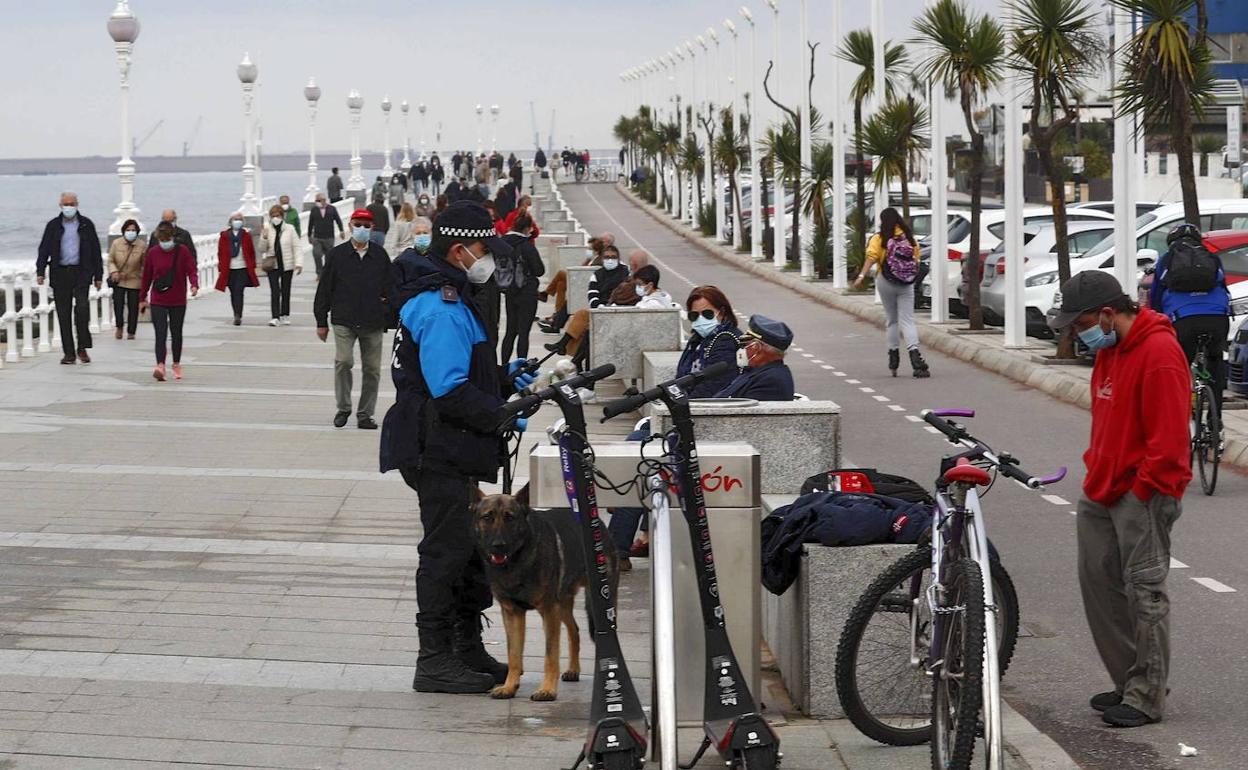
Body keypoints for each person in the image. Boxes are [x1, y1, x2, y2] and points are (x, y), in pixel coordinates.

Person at [379, 199, 534, 694]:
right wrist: (499, 412)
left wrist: (503, 380)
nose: (488, 254)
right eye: (484, 245)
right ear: (460, 247)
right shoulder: (442, 303)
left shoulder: (447, 293)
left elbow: (459, 373)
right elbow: (447, 387)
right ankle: (434, 660)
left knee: (470, 550)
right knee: (446, 551)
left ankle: (466, 647)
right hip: (437, 444)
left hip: (444, 441)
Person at [1047, 271, 1190, 729]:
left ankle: (1147, 695)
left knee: (1144, 591)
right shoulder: (1109, 350)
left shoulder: (1160, 353)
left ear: (1108, 313)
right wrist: (1097, 471)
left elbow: (1169, 442)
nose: (1076, 332)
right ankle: (1132, 678)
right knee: (1098, 583)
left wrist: (1144, 488)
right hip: (1102, 486)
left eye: (1080, 322)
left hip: (1142, 492)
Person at [314, 209, 393, 430]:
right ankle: (343, 407)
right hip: (343, 319)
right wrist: (321, 321)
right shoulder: (337, 255)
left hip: (372, 320)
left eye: (367, 226)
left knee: (372, 369)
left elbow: (391, 287)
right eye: (358, 224)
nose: (362, 229)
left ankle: (365, 413)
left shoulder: (380, 255)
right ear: (350, 225)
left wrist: (387, 312)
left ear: (372, 228)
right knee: (343, 361)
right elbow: (325, 289)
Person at [1148, 222, 1231, 410]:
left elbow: (1156, 297)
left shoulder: (1167, 260)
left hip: (1183, 320)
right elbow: (1223, 288)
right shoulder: (1212, 259)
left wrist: (1158, 319)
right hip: (1217, 318)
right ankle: (1215, 418)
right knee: (1215, 360)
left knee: (1179, 366)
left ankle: (1180, 412)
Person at [853, 207, 930, 378]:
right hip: (906, 283)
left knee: (892, 320)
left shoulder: (879, 238)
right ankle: (916, 358)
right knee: (908, 321)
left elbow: (872, 257)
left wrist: (861, 276)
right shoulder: (909, 238)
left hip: (885, 281)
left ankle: (893, 359)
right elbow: (916, 260)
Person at [36, 192, 102, 364]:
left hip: (81, 272)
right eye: (66, 204)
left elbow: (96, 250)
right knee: (63, 314)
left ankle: (82, 347)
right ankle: (69, 353)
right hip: (60, 273)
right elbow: (44, 249)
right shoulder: (53, 226)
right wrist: (40, 271)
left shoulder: (86, 224)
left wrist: (98, 275)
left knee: (82, 309)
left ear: (77, 204)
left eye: (72, 204)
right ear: (60, 205)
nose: (69, 207)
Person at [139, 221, 199, 381]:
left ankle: (176, 363)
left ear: (173, 237)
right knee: (160, 333)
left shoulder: (183, 251)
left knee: (176, 332)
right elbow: (147, 277)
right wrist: (142, 297)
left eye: (167, 239)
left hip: (178, 298)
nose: (164, 243)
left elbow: (191, 269)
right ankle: (160, 365)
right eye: (162, 240)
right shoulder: (153, 253)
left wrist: (194, 284)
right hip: (158, 298)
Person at [715, 315, 796, 400]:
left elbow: (749, 412)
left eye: (745, 344)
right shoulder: (755, 371)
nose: (743, 349)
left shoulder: (770, 381)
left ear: (756, 348)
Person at [499, 213, 546, 360]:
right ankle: (521, 366)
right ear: (526, 228)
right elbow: (539, 270)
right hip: (527, 291)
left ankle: (504, 365)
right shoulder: (527, 246)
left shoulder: (503, 242)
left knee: (510, 331)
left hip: (509, 291)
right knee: (523, 332)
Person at [259, 203, 304, 326]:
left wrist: (299, 263)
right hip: (272, 264)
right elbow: (261, 249)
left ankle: (285, 314)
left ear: (282, 216)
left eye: (277, 215)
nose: (275, 218)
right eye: (273, 215)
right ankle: (275, 316)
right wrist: (264, 237)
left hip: (287, 264)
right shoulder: (267, 228)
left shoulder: (290, 229)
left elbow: (297, 247)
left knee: (285, 290)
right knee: (274, 290)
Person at [214, 211, 259, 326]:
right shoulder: (224, 236)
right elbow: (220, 253)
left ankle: (238, 315)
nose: (237, 221)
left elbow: (251, 252)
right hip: (229, 269)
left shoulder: (246, 235)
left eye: (239, 219)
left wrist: (253, 266)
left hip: (242, 268)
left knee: (239, 291)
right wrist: (221, 267)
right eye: (235, 219)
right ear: (230, 221)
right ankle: (235, 312)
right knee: (233, 292)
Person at [106, 219, 145, 340]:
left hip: (135, 279)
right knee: (118, 304)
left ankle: (131, 331)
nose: (131, 232)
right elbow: (111, 259)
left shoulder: (142, 245)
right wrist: (114, 271)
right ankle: (119, 327)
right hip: (119, 279)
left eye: (133, 230)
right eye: (128, 230)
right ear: (123, 231)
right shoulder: (116, 243)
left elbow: (145, 264)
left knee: (133, 306)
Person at [308, 193, 344, 278]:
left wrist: (341, 231)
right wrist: (309, 235)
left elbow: (338, 220)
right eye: (316, 201)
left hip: (329, 237)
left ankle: (327, 272)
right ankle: (319, 273)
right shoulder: (314, 210)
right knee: (316, 254)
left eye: (318, 201)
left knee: (329, 256)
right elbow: (310, 223)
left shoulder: (332, 209)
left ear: (324, 200)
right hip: (317, 237)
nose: (316, 202)